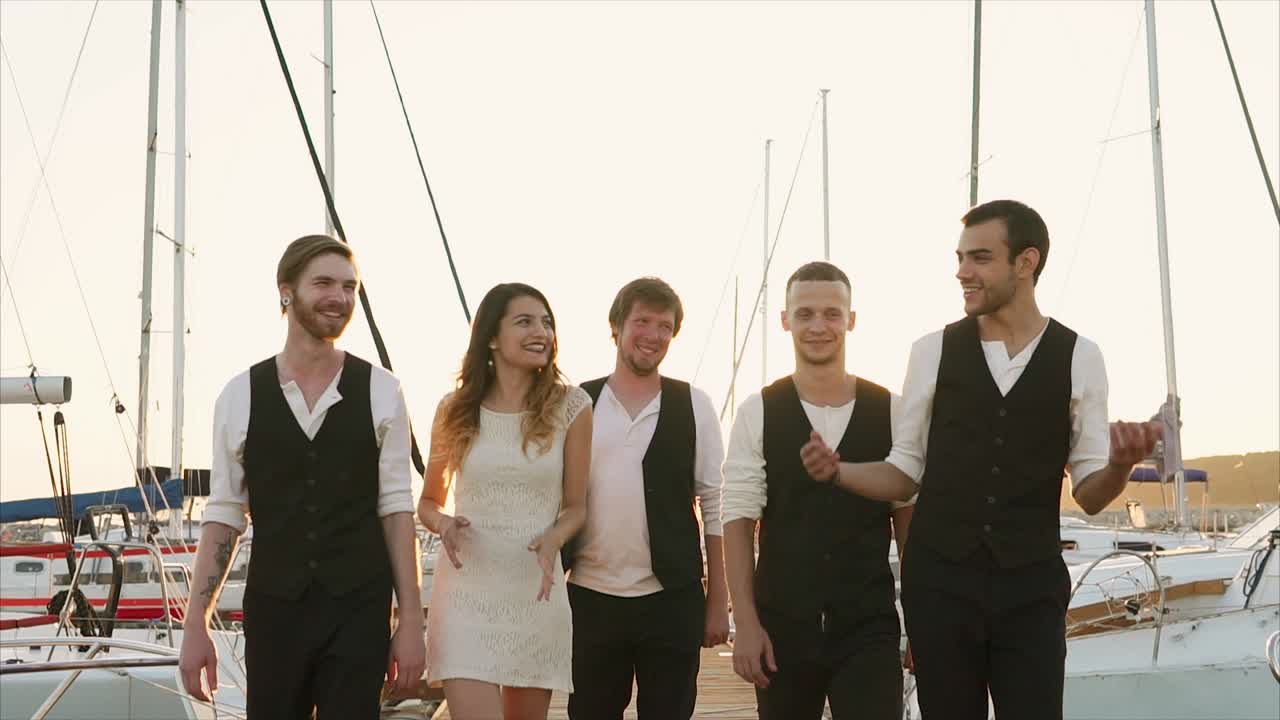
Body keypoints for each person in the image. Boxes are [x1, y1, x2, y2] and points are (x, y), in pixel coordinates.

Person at [804, 200, 1161, 720]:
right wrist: (840, 470)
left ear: (1026, 262)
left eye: (980, 258)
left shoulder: (1080, 356)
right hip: (940, 587)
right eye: (960, 258)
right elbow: (905, 472)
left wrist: (1121, 466)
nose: (962, 272)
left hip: (1031, 588)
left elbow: (1087, 493)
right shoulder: (931, 351)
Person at [178, 234, 425, 719]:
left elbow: (397, 510)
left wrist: (411, 620)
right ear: (286, 290)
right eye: (325, 283)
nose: (340, 297)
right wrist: (196, 623)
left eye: (350, 287)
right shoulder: (239, 396)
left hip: (359, 609)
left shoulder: (382, 390)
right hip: (275, 609)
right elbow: (225, 515)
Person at [722, 261, 912, 720]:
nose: (818, 326)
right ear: (785, 320)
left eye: (831, 313)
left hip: (869, 626)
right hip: (782, 627)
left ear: (851, 319)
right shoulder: (758, 411)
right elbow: (738, 519)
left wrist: (920, 624)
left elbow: (910, 526)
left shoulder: (891, 409)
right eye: (805, 314)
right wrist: (745, 623)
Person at [419, 282, 590, 720]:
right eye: (525, 321)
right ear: (491, 337)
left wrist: (555, 538)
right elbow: (429, 502)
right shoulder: (454, 409)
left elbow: (576, 506)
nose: (542, 332)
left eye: (547, 322)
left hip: (534, 592)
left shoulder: (571, 407)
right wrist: (444, 525)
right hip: (465, 594)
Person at [563, 277, 730, 720]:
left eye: (665, 326)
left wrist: (718, 600)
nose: (653, 335)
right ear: (616, 326)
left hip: (671, 599)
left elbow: (714, 505)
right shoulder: (578, 401)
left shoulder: (695, 404)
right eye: (642, 321)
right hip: (591, 597)